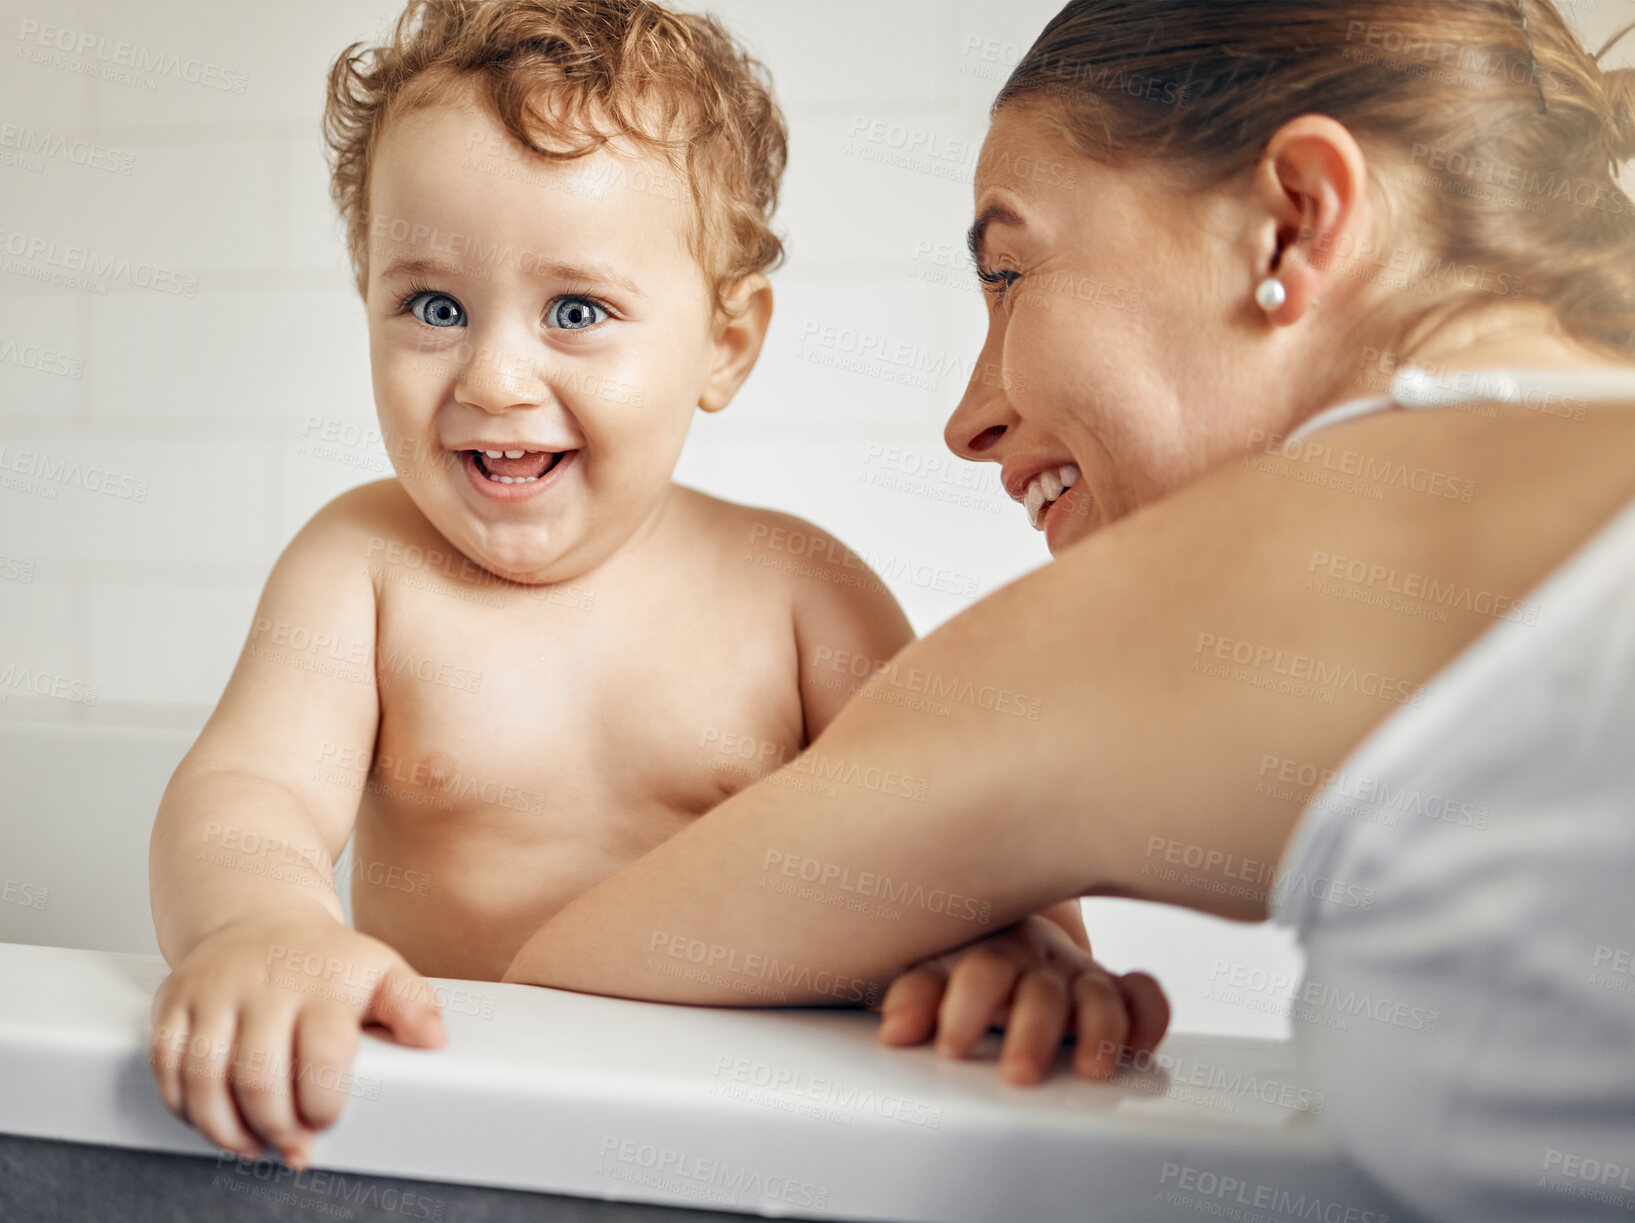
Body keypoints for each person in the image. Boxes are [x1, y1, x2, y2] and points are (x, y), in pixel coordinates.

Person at [500, 2, 1635, 1219]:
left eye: (1009, 271)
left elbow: (575, 971)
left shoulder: (1284, 556)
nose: (969, 416)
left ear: (1296, 218)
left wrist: (918, 918)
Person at [144, 0, 1163, 1175]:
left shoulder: (801, 595)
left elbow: (972, 834)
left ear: (725, 342)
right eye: (433, 306)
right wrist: (259, 922)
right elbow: (248, 791)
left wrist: (1022, 948)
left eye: (576, 311)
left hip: (745, 1149)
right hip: (443, 1140)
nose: (494, 372)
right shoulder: (362, 567)